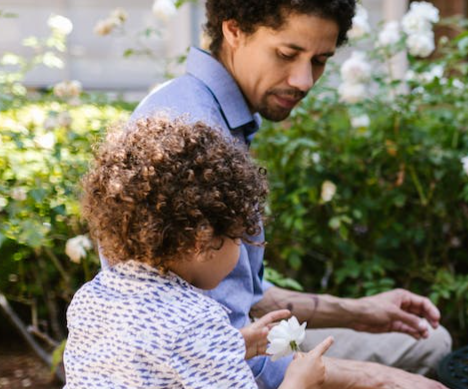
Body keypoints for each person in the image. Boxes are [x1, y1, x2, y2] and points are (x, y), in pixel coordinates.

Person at [129, 1, 452, 388]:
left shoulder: (207, 111)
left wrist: (359, 312)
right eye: (287, 54)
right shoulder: (195, 136)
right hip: (208, 370)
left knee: (427, 341)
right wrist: (377, 379)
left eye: (320, 60)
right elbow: (223, 362)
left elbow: (239, 292)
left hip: (226, 345)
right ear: (234, 30)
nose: (304, 81)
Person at [64, 117, 335, 389]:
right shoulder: (197, 320)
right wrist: (299, 382)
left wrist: (234, 345)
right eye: (238, 237)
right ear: (202, 242)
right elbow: (184, 341)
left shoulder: (90, 298)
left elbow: (154, 366)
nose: (240, 249)